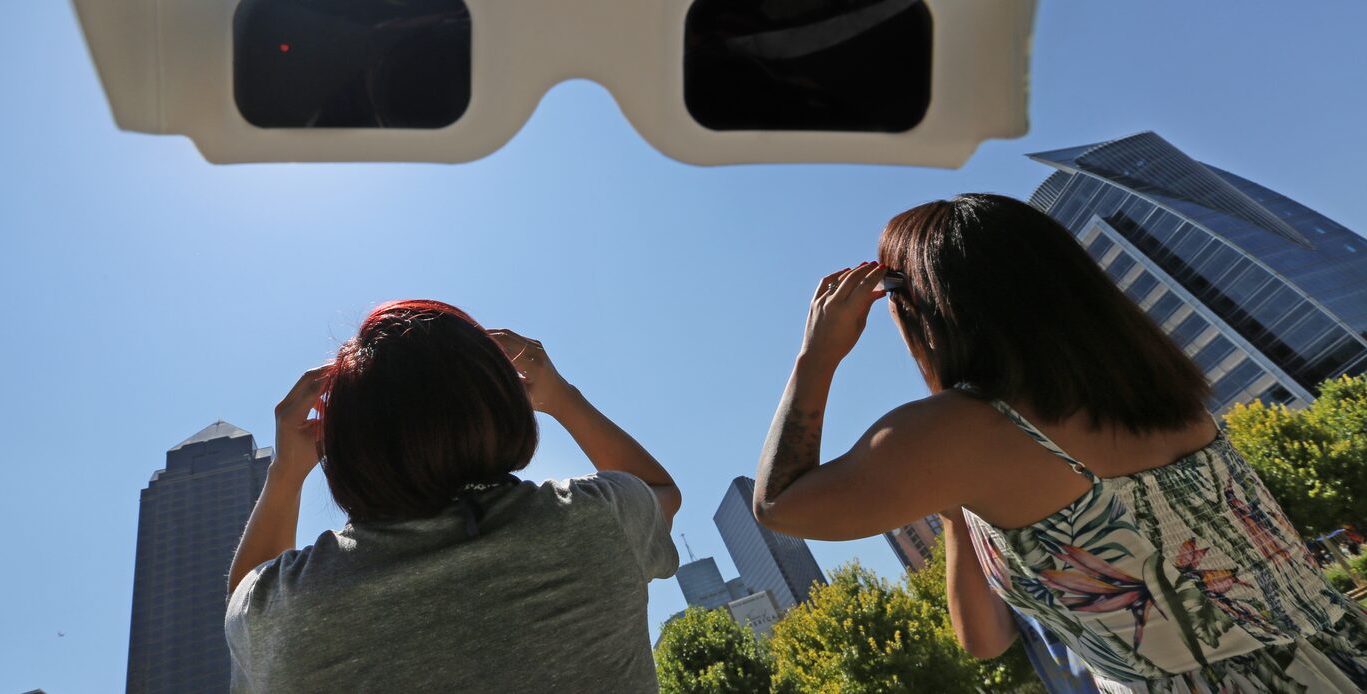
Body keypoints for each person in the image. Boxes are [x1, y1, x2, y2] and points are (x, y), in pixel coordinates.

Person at [754, 194, 1367, 692]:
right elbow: (987, 640)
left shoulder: (964, 431)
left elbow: (780, 506)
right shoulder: (1158, 388)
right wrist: (956, 518)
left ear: (925, 309)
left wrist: (817, 355)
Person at [225, 300, 680, 692]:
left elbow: (244, 602)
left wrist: (285, 473)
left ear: (343, 448)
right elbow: (660, 493)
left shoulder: (289, 607)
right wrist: (563, 397)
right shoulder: (600, 519)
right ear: (501, 403)